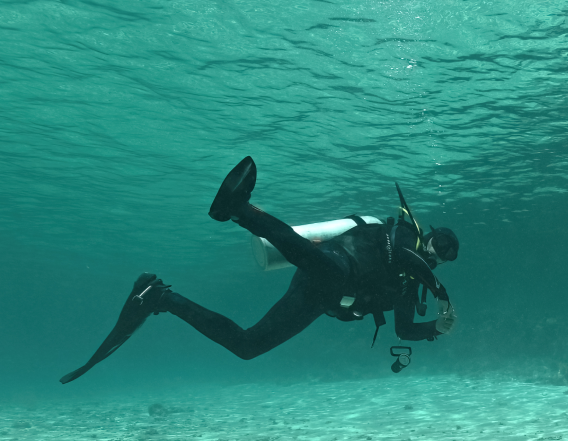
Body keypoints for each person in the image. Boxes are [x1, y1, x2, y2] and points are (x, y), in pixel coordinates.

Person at [61, 156, 459, 384]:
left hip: (319, 298)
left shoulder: (413, 285)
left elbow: (404, 329)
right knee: (324, 265)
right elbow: (409, 260)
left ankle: (161, 297)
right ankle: (239, 209)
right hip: (335, 265)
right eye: (438, 246)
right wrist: (440, 292)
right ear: (429, 236)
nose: (436, 255)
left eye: (444, 257)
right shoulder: (405, 238)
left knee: (247, 348)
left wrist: (433, 329)